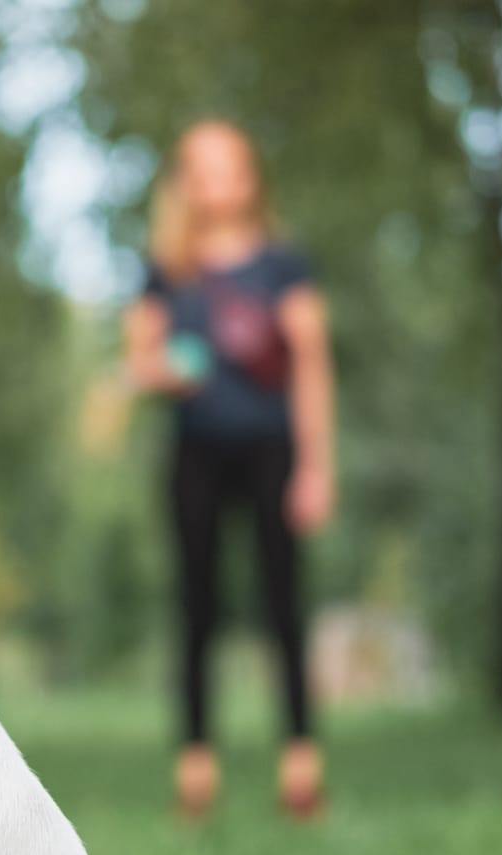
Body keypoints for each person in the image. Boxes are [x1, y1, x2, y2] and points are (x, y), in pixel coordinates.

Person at [121, 119, 337, 819]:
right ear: (187, 184)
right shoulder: (167, 271)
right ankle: (196, 771)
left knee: (284, 608)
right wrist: (164, 373)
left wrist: (316, 467)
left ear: (252, 178)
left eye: (234, 167)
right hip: (198, 454)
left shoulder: (283, 265)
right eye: (208, 170)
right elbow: (140, 360)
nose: (224, 183)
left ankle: (302, 766)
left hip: (272, 450)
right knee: (197, 610)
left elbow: (311, 367)